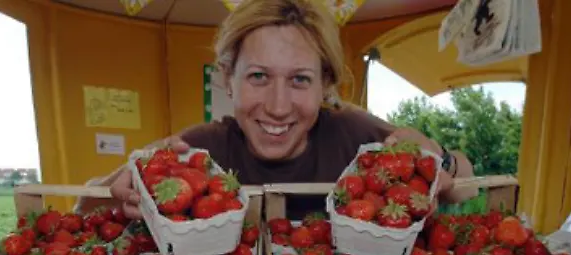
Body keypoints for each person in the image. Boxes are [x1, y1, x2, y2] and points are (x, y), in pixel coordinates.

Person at [78, 0, 477, 218]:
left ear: (325, 84)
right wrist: (120, 184)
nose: (278, 106)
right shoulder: (198, 151)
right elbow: (83, 204)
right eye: (258, 77)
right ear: (227, 78)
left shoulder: (355, 133)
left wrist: (442, 160)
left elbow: (467, 184)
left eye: (300, 80)